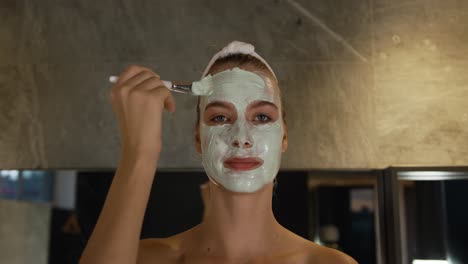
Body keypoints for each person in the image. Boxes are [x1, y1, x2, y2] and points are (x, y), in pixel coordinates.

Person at [80, 41, 357, 264]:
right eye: (220, 118)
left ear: (283, 136)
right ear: (199, 139)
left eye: (261, 117)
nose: (241, 139)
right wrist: (139, 152)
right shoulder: (147, 258)